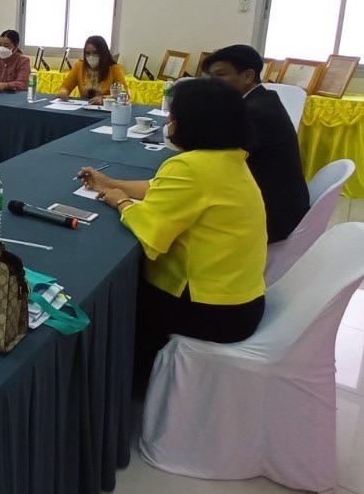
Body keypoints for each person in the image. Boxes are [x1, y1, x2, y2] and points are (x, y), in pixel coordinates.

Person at [78, 77, 267, 389]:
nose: (168, 122)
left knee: (113, 298)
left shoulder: (190, 167)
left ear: (190, 122)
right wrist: (110, 183)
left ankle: (124, 385)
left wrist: (120, 202)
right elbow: (160, 189)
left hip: (211, 310)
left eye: (172, 115)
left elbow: (152, 231)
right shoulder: (229, 157)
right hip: (240, 301)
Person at [201, 45, 310, 244]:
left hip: (271, 217)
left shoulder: (254, 111)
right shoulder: (263, 98)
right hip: (275, 203)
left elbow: (213, 154)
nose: (212, 83)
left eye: (220, 75)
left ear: (248, 76)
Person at [55, 35, 127, 104]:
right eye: (87, 53)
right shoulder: (79, 66)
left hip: (106, 108)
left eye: (95, 53)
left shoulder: (115, 69)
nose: (91, 56)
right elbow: (65, 86)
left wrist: (104, 98)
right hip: (84, 107)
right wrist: (63, 92)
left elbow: (125, 94)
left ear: (103, 53)